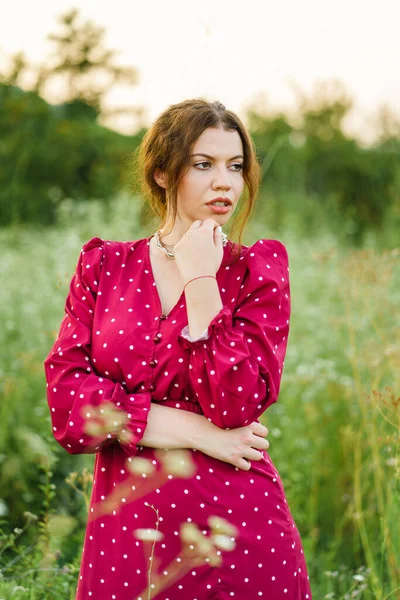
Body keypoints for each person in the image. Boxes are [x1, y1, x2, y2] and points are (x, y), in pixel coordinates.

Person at [44, 98, 312, 599]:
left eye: (236, 166)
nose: (225, 183)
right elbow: (69, 409)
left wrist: (200, 277)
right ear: (164, 172)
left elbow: (237, 404)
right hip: (127, 536)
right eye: (203, 164)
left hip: (238, 535)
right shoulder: (104, 267)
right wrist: (198, 433)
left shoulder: (256, 271)